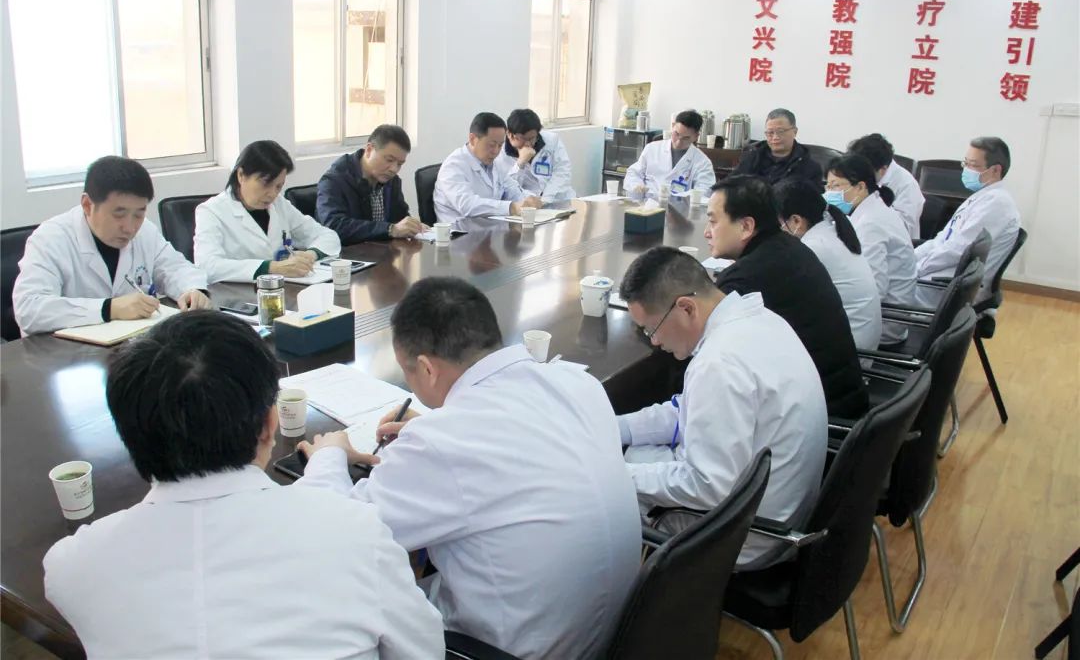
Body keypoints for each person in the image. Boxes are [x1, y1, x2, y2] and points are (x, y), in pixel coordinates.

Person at [42, 311, 444, 659]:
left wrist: (328, 463)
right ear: (270, 423)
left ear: (130, 435)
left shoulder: (72, 566)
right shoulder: (359, 537)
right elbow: (423, 651)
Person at [297, 277, 640, 660]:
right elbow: (508, 445)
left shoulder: (442, 442)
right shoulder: (578, 384)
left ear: (426, 369)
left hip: (498, 650)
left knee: (332, 606)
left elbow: (337, 535)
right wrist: (435, 431)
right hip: (611, 634)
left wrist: (329, 455)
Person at [617, 247, 826, 569]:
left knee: (619, 485)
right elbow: (686, 412)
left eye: (651, 330)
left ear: (686, 308)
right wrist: (616, 427)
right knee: (635, 455)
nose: (654, 342)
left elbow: (707, 484)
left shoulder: (719, 363)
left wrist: (615, 474)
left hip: (750, 537)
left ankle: (634, 595)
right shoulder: (760, 320)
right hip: (783, 511)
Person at [706, 175, 869, 419]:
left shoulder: (745, 279)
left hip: (819, 416)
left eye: (713, 222)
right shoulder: (790, 247)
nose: (707, 233)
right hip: (843, 399)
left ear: (746, 227)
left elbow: (710, 360)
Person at [12, 156, 210, 336]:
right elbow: (29, 309)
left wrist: (192, 290)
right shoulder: (51, 239)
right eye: (119, 214)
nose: (130, 227)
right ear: (87, 205)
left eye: (139, 214)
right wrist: (108, 308)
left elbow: (175, 267)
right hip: (62, 354)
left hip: (129, 347)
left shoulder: (145, 232)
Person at [194, 140, 341, 283]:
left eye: (278, 186)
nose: (272, 194)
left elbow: (327, 236)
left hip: (283, 288)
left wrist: (310, 255)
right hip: (237, 294)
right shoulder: (211, 211)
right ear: (241, 175)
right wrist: (271, 267)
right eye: (266, 183)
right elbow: (208, 266)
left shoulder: (279, 204)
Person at [775, 180, 882, 351]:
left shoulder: (814, 247)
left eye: (778, 223)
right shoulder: (828, 229)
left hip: (850, 351)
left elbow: (782, 297)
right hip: (857, 338)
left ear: (796, 221)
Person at [915, 136, 1021, 307]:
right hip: (941, 278)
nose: (966, 169)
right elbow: (942, 240)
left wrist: (915, 269)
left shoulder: (996, 204)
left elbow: (957, 251)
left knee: (881, 292)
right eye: (965, 163)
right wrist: (910, 260)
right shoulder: (981, 197)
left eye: (973, 165)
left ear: (995, 170)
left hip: (949, 290)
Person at [824, 154, 917, 348]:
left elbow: (875, 289)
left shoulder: (871, 224)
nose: (829, 193)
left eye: (836, 186)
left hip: (883, 323)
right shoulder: (871, 209)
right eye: (828, 186)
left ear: (860, 187)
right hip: (883, 312)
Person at [316, 124, 427, 245]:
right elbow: (334, 226)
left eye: (400, 164)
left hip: (382, 252)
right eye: (389, 160)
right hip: (346, 254)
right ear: (369, 150)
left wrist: (412, 226)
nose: (394, 169)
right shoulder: (333, 181)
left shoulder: (392, 181)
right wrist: (390, 229)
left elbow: (400, 218)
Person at [434, 112, 543, 224]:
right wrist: (512, 207)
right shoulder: (453, 166)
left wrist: (530, 200)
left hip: (490, 229)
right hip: (458, 231)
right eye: (491, 145)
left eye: (500, 145)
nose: (496, 151)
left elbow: (513, 190)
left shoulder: (494, 164)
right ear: (472, 139)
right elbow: (467, 205)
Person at [623, 109, 715, 200]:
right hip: (647, 204)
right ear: (673, 126)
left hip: (680, 208)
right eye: (676, 134)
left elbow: (704, 191)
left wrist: (678, 197)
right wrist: (636, 185)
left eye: (685, 138)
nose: (678, 142)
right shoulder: (652, 148)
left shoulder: (702, 162)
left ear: (696, 137)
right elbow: (634, 172)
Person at [848, 133, 925, 240]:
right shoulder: (862, 174)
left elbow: (904, 227)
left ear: (883, 169)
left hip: (889, 242)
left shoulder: (907, 185)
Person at [494, 108, 575, 202]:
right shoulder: (499, 153)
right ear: (509, 134)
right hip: (526, 203)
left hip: (557, 198)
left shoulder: (552, 140)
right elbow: (507, 189)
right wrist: (520, 163)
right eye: (524, 139)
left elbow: (562, 171)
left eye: (532, 138)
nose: (528, 143)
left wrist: (546, 198)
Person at [732, 108, 824, 188]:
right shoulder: (753, 155)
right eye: (770, 133)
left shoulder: (809, 166)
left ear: (795, 131)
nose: (775, 137)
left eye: (781, 131)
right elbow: (731, 185)